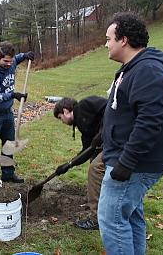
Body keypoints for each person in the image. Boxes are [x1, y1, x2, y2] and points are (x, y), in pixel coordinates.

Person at [99, 12, 163, 255]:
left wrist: (126, 161)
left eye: (109, 38)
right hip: (125, 160)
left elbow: (150, 121)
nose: (106, 44)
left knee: (112, 219)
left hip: (132, 165)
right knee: (130, 217)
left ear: (124, 40)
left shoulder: (147, 70)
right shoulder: (131, 69)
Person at [0, 41, 34, 183]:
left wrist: (25, 55)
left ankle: (8, 174)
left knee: (9, 144)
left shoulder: (11, 61)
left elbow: (17, 59)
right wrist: (12, 95)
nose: (9, 64)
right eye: (6, 61)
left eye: (10, 61)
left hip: (7, 113)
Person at [53, 96, 107, 230]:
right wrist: (68, 165)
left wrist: (102, 131)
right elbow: (86, 151)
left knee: (95, 168)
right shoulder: (81, 124)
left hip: (116, 137)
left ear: (66, 111)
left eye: (60, 118)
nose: (62, 122)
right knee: (93, 161)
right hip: (105, 141)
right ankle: (98, 199)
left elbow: (110, 108)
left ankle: (96, 219)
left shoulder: (86, 105)